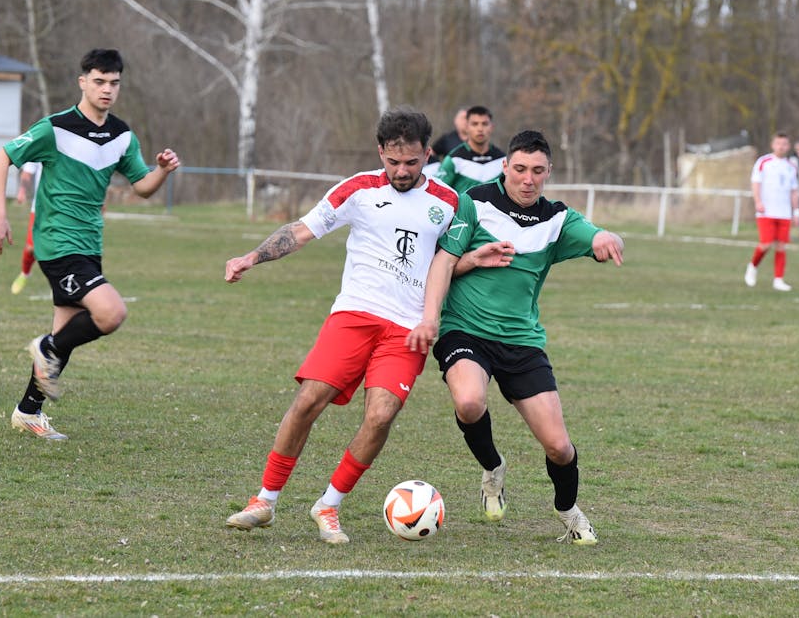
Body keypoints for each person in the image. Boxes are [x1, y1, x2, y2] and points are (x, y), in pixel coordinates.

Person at [223, 107, 460, 544]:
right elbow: (301, 231)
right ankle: (265, 500)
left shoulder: (448, 203)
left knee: (381, 415)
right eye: (393, 161)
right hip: (354, 313)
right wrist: (251, 257)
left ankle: (329, 505)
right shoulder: (359, 189)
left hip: (406, 328)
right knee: (308, 400)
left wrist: (438, 309)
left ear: (428, 154)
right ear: (380, 152)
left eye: (412, 162)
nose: (402, 171)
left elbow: (450, 261)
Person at [407, 130, 624, 546]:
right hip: (465, 329)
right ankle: (493, 468)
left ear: (549, 172)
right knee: (469, 401)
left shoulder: (558, 219)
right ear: (505, 166)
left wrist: (608, 239)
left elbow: (598, 235)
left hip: (522, 341)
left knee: (559, 447)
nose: (528, 179)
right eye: (520, 169)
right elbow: (443, 261)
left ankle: (568, 511)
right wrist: (430, 319)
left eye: (537, 171)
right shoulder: (474, 202)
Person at [0, 48, 180, 440]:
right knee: (111, 313)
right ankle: (46, 347)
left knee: (67, 331)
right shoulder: (55, 128)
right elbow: (2, 158)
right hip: (57, 242)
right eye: (99, 81)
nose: (107, 89)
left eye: (114, 83)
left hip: (89, 244)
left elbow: (142, 187)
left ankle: (28, 410)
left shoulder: (122, 135)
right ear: (83, 82)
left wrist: (161, 171)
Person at [744, 132, 799, 292]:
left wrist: (796, 211)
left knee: (781, 246)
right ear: (773, 145)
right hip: (766, 211)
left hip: (784, 212)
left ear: (788, 146)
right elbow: (756, 183)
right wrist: (758, 201)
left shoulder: (791, 166)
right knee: (766, 244)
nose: (781, 147)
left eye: (784, 144)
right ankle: (753, 266)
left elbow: (794, 191)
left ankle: (778, 280)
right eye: (778, 143)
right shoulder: (764, 162)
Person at [435, 105, 505, 194]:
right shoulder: (454, 160)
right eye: (475, 124)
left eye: (485, 124)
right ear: (467, 127)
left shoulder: (503, 160)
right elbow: (438, 193)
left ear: (491, 127)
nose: (480, 129)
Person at [10, 162, 41, 295]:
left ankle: (59, 284)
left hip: (66, 210)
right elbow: (27, 173)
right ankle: (25, 273)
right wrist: (22, 191)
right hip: (40, 208)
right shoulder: (41, 148)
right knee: (31, 248)